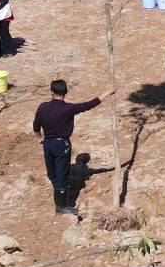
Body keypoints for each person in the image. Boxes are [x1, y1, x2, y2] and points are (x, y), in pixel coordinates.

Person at [33, 80, 114, 216]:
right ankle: (61, 205)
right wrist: (108, 92)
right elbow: (89, 105)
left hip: (48, 144)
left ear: (51, 93)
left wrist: (39, 138)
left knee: (51, 171)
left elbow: (36, 126)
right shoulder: (68, 108)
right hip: (62, 145)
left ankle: (58, 190)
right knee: (62, 175)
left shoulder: (42, 107)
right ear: (65, 93)